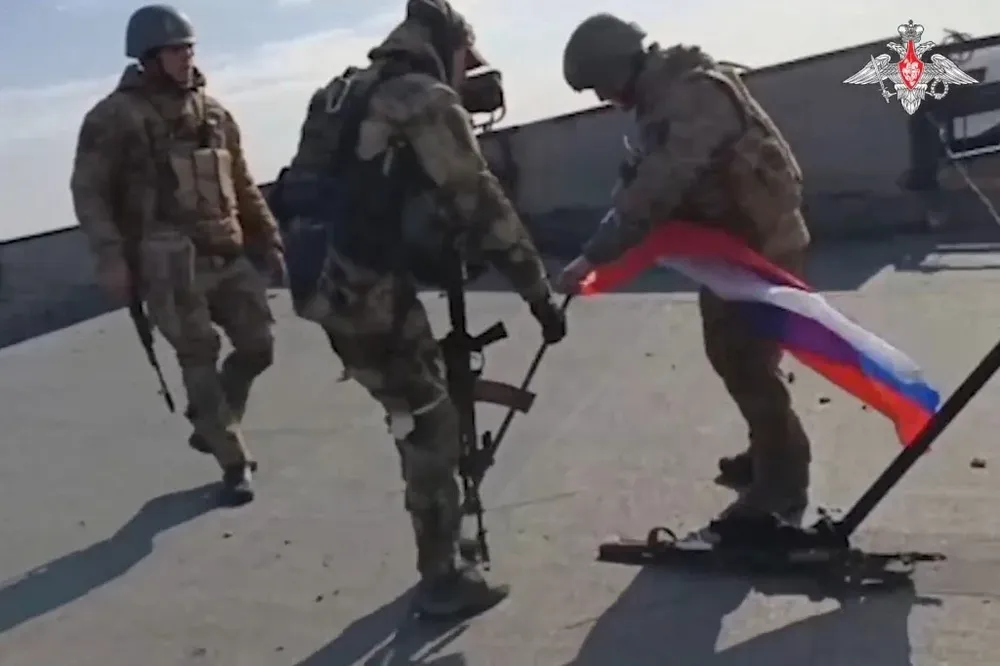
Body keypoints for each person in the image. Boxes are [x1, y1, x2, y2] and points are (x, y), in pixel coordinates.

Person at [276, 0, 566, 620]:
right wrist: (536, 292)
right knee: (429, 420)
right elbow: (479, 201)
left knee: (417, 405)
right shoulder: (419, 97)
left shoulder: (341, 91)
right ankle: (441, 577)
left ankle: (447, 532)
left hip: (324, 279)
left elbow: (345, 187)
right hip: (366, 287)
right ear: (449, 46)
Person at [558, 13, 813, 522]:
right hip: (731, 244)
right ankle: (768, 453)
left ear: (617, 68)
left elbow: (660, 184)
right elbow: (637, 181)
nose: (601, 98)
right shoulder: (661, 99)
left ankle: (782, 482)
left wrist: (596, 254)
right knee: (733, 354)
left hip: (762, 245)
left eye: (599, 86)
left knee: (745, 361)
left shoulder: (691, 95)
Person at [70, 4, 286, 506]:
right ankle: (233, 461)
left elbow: (241, 181)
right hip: (168, 261)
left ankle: (211, 422)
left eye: (189, 48)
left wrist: (267, 234)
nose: (187, 58)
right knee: (198, 356)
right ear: (148, 56)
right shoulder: (113, 117)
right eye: (176, 50)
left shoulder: (214, 112)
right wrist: (111, 257)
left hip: (225, 251)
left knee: (259, 345)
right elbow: (90, 192)